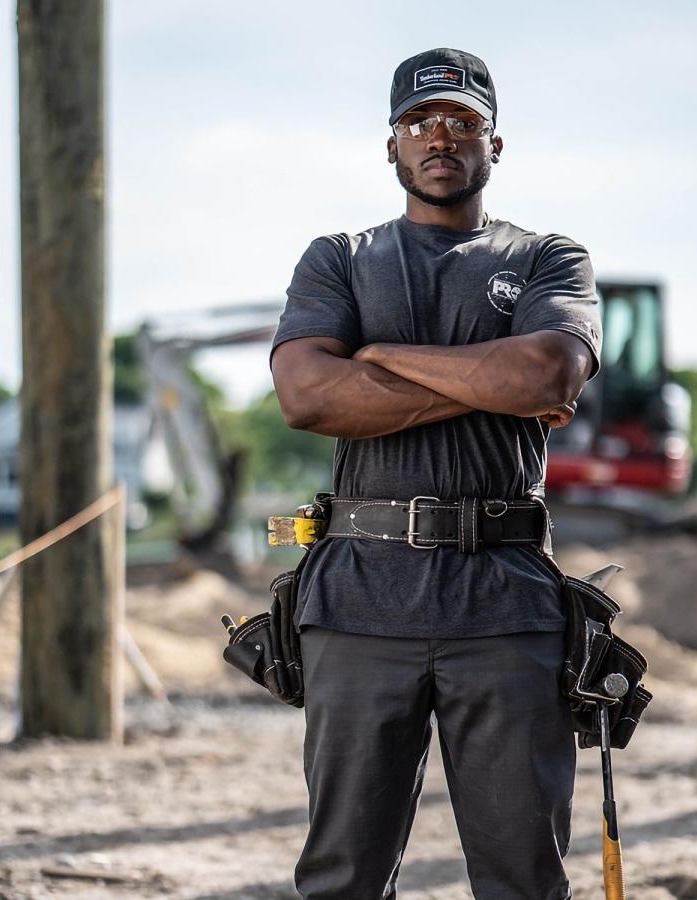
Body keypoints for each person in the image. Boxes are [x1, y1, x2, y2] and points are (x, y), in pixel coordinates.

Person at [270, 47, 601, 900]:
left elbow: (547, 375)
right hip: (357, 600)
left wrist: (378, 356)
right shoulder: (339, 258)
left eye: (462, 121)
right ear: (392, 145)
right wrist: (488, 381)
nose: (440, 137)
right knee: (341, 877)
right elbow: (306, 396)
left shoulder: (549, 258)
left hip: (506, 603)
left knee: (525, 877)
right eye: (419, 123)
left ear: (496, 143)